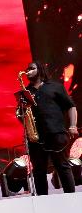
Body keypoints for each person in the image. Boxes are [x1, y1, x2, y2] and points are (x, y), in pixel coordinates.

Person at [23, 61, 78, 195]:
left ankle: (71, 198)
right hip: (35, 138)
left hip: (56, 133)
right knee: (39, 171)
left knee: (63, 166)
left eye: (32, 68)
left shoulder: (55, 87)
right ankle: (43, 202)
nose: (28, 70)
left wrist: (72, 125)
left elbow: (71, 106)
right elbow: (22, 115)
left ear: (40, 69)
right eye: (27, 69)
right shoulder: (25, 92)